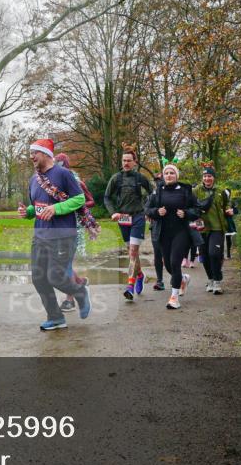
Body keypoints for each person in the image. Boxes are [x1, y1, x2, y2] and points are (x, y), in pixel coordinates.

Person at [18, 139, 92, 331]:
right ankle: (56, 318)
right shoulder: (34, 180)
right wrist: (28, 212)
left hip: (62, 235)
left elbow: (79, 199)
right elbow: (38, 206)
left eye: (34, 153)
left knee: (55, 277)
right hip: (40, 236)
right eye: (30, 153)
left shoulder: (63, 174)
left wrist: (56, 208)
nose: (31, 157)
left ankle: (80, 292)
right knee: (38, 278)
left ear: (45, 153)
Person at [145, 164, 208, 309]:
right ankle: (183, 279)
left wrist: (186, 213)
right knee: (168, 265)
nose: (169, 175)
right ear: (163, 176)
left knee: (175, 262)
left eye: (172, 173)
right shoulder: (158, 191)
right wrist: (156, 212)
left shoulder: (185, 190)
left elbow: (197, 209)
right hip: (163, 233)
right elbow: (147, 209)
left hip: (181, 232)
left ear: (176, 175)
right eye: (166, 173)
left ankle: (174, 298)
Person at [103, 145, 153, 301]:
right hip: (123, 218)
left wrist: (147, 210)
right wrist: (113, 212)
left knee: (132, 251)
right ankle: (140, 274)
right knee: (132, 252)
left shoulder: (140, 178)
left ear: (134, 162)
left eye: (129, 160)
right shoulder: (116, 178)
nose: (126, 163)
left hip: (138, 217)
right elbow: (107, 197)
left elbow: (152, 193)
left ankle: (130, 285)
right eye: (124, 160)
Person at [54, 152, 95, 312]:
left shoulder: (76, 182)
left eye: (60, 165)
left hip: (74, 226)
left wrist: (75, 205)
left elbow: (90, 201)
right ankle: (81, 283)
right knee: (61, 264)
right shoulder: (53, 184)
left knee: (66, 264)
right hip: (57, 227)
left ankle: (70, 300)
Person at [192, 164, 234, 295]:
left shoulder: (221, 191)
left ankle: (217, 281)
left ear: (214, 177)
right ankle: (210, 279)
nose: (207, 178)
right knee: (204, 256)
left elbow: (227, 203)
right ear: (202, 178)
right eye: (205, 176)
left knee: (214, 254)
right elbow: (189, 204)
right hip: (201, 227)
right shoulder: (196, 191)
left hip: (217, 227)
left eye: (209, 176)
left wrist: (229, 209)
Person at [149, 173, 166, 291]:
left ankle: (178, 278)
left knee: (170, 257)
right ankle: (159, 281)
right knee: (157, 255)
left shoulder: (174, 193)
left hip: (171, 228)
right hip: (156, 228)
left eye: (160, 180)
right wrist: (155, 211)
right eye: (156, 181)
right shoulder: (153, 195)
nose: (158, 182)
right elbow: (147, 209)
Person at [225, 195, 237, 259]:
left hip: (229, 222)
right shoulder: (219, 202)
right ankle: (220, 255)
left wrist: (231, 211)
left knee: (228, 238)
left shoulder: (231, 202)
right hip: (220, 222)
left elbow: (236, 211)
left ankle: (228, 254)